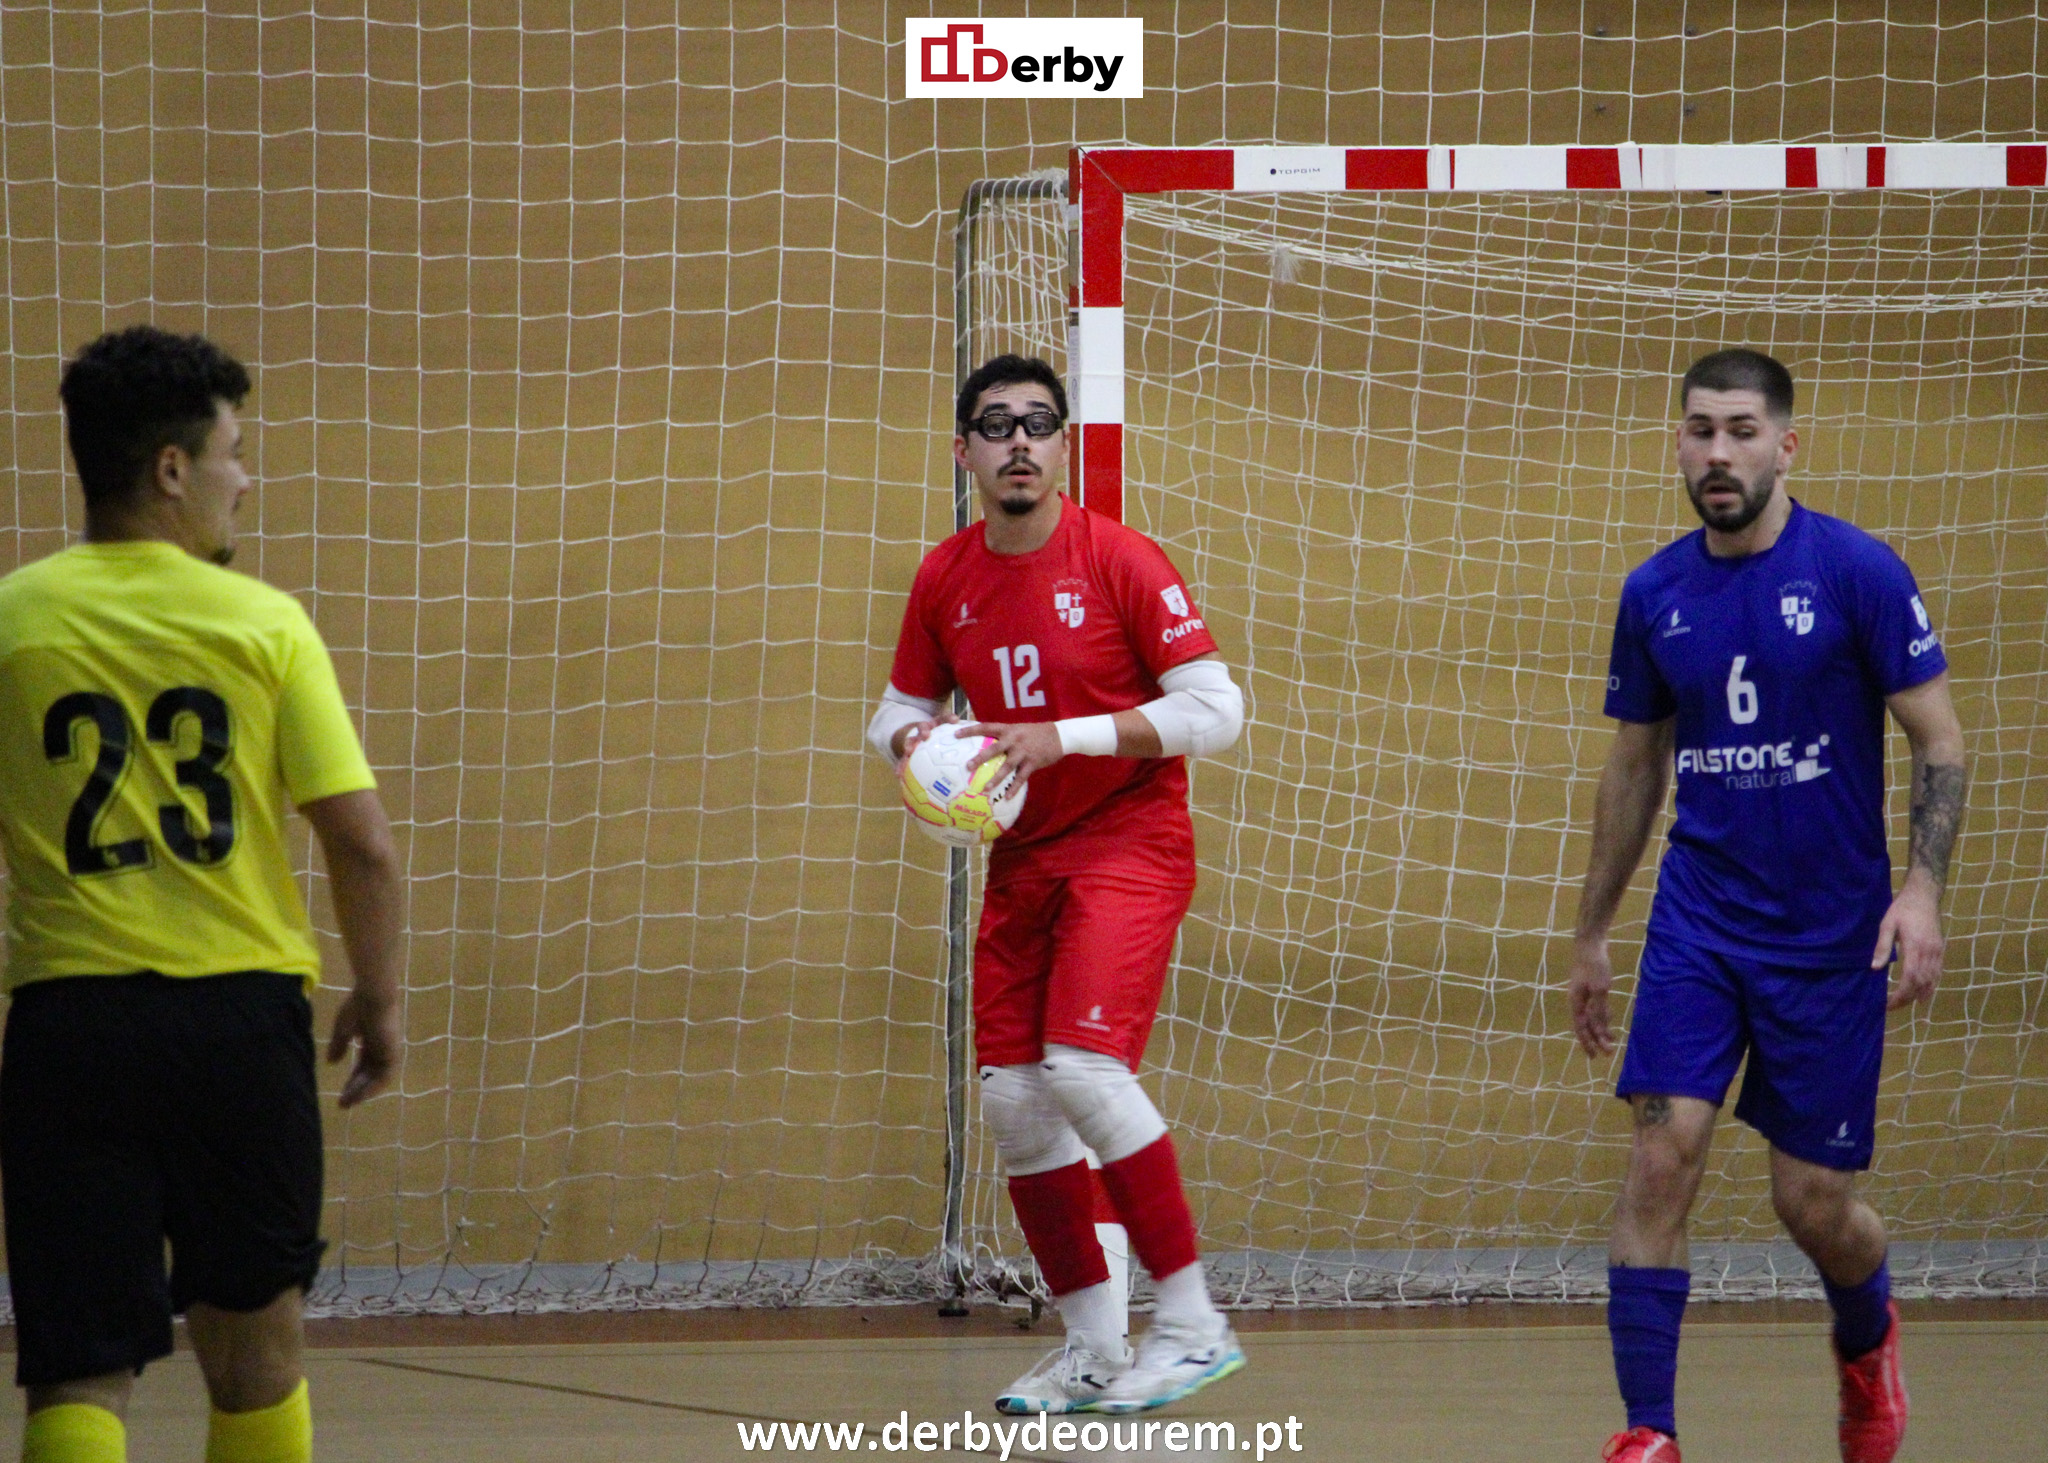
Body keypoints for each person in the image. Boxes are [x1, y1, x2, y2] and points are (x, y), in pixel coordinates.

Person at [0, 325, 404, 1463]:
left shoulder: (12, 623)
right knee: (258, 1349)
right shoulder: (261, 622)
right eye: (233, 449)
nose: (246, 474)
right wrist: (380, 1000)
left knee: (78, 1363)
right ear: (171, 468)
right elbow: (362, 846)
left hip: (69, 1028)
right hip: (236, 1026)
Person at [1568, 349, 1966, 1463]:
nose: (1716, 453)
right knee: (1661, 1153)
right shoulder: (1653, 592)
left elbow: (1939, 742)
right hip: (1699, 918)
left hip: (1830, 931)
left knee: (1813, 1202)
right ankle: (1649, 1429)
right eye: (1698, 430)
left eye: (1740, 430)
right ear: (1677, 443)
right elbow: (1633, 765)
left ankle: (1864, 1337)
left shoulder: (1855, 572)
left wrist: (1919, 892)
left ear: (1785, 444)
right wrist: (1593, 928)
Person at [866, 355, 1247, 1415]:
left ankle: (1190, 1323)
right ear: (964, 452)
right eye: (996, 426)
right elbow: (889, 709)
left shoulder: (1117, 558)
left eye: (1038, 422)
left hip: (1128, 840)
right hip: (1024, 857)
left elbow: (1217, 709)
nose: (1018, 442)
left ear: (1061, 442)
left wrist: (1061, 736)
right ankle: (1090, 1345)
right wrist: (920, 741)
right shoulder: (946, 576)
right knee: (1017, 1101)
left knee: (1082, 1066)